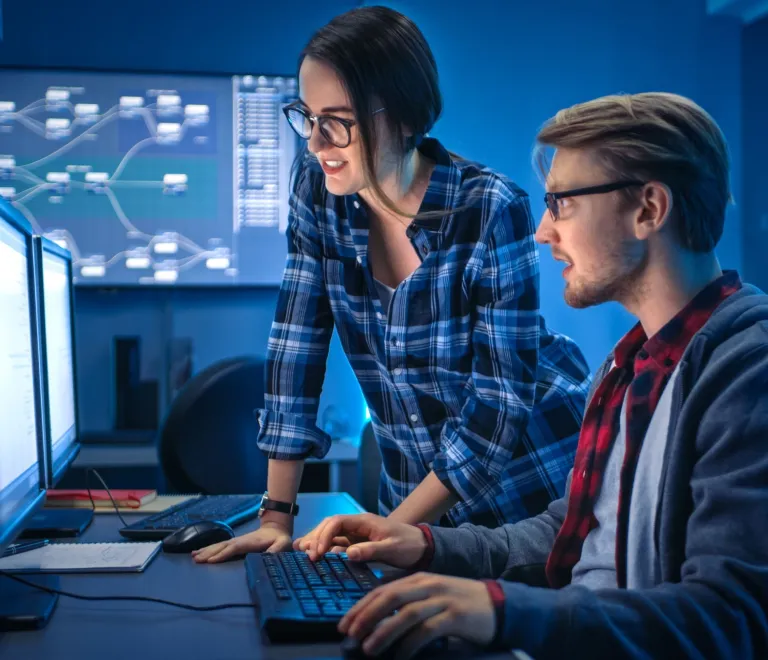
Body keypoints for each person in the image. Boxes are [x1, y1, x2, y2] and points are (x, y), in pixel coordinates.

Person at [291, 92, 768, 659]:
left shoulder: (747, 372)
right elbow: (564, 537)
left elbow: (728, 618)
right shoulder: (630, 366)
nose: (543, 231)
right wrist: (422, 545)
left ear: (648, 209)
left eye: (562, 203)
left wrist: (502, 611)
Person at [194, 6, 590, 562]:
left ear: (404, 117)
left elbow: (497, 409)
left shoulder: (490, 208)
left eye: (336, 121)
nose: (315, 142)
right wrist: (276, 515)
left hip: (525, 488)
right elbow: (296, 341)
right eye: (306, 117)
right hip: (410, 502)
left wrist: (385, 534)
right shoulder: (316, 188)